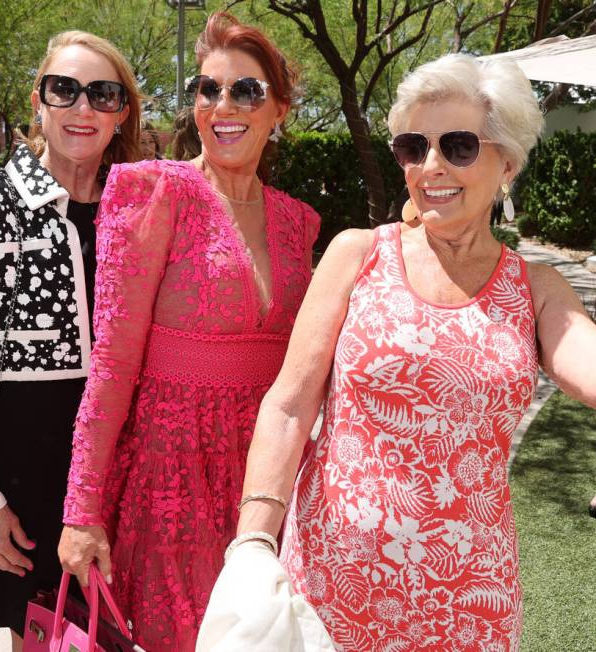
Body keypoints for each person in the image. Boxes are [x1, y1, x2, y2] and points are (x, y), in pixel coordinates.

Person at [223, 53, 596, 651]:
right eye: (412, 148)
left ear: (507, 161)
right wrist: (252, 543)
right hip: (329, 593)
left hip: (468, 606)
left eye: (458, 146)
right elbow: (289, 407)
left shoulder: (536, 289)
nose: (432, 166)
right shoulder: (358, 255)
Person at [58, 12, 321, 651]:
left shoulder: (299, 222)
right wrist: (82, 509)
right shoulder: (153, 191)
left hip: (267, 481)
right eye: (208, 89)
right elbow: (113, 362)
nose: (222, 106)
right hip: (168, 478)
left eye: (246, 90)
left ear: (279, 108)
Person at [0, 31, 142, 648]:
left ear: (121, 112)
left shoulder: (138, 205)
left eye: (102, 94)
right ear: (39, 102)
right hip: (21, 466)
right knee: (19, 630)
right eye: (65, 90)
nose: (83, 108)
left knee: (110, 628)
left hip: (120, 458)